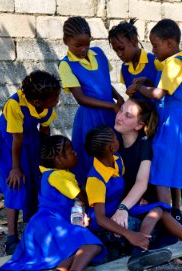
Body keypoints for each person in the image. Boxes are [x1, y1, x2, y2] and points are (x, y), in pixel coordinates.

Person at [90, 99, 182, 271]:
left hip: (131, 208)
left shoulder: (144, 145)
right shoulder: (112, 145)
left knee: (159, 211)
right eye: (120, 111)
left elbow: (141, 182)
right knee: (158, 212)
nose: (119, 117)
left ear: (138, 125)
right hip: (121, 213)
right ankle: (141, 252)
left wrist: (124, 207)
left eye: (128, 115)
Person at [0, 135, 105, 271]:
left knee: (78, 248)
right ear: (59, 160)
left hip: (41, 226)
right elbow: (83, 198)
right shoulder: (60, 176)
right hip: (51, 224)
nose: (75, 153)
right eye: (70, 151)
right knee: (92, 245)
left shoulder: (51, 174)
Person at [127, 19, 182, 235]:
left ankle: (173, 218)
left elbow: (159, 93)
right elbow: (159, 68)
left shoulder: (175, 64)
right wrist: (145, 77)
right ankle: (181, 217)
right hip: (175, 120)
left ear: (170, 44)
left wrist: (141, 87)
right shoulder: (172, 60)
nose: (152, 50)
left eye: (155, 45)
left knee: (162, 168)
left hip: (173, 122)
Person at [0, 70, 61, 255]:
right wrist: (15, 168)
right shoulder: (14, 105)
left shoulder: (47, 105)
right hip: (6, 140)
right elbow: (16, 139)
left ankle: (33, 224)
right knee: (16, 182)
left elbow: (44, 130)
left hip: (28, 136)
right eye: (55, 98)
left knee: (36, 177)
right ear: (37, 102)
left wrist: (46, 156)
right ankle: (11, 237)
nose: (57, 100)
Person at [84, 125, 173, 271]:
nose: (117, 138)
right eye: (114, 137)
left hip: (120, 209)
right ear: (111, 148)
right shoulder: (95, 180)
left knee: (158, 209)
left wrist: (136, 200)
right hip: (106, 223)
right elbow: (100, 218)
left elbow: (121, 188)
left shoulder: (117, 160)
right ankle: (138, 249)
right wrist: (129, 234)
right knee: (152, 218)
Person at [59, 16, 124, 187]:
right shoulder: (66, 65)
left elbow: (103, 83)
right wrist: (111, 104)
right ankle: (89, 202)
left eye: (86, 44)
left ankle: (114, 195)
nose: (83, 49)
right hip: (90, 119)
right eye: (77, 46)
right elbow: (80, 98)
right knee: (91, 158)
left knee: (113, 152)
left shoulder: (99, 54)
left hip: (110, 115)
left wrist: (118, 96)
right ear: (66, 41)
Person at [108, 18, 161, 101]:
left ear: (135, 42)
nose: (119, 54)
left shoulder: (155, 62)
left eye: (121, 48)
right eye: (116, 51)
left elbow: (162, 92)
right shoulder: (124, 68)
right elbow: (133, 97)